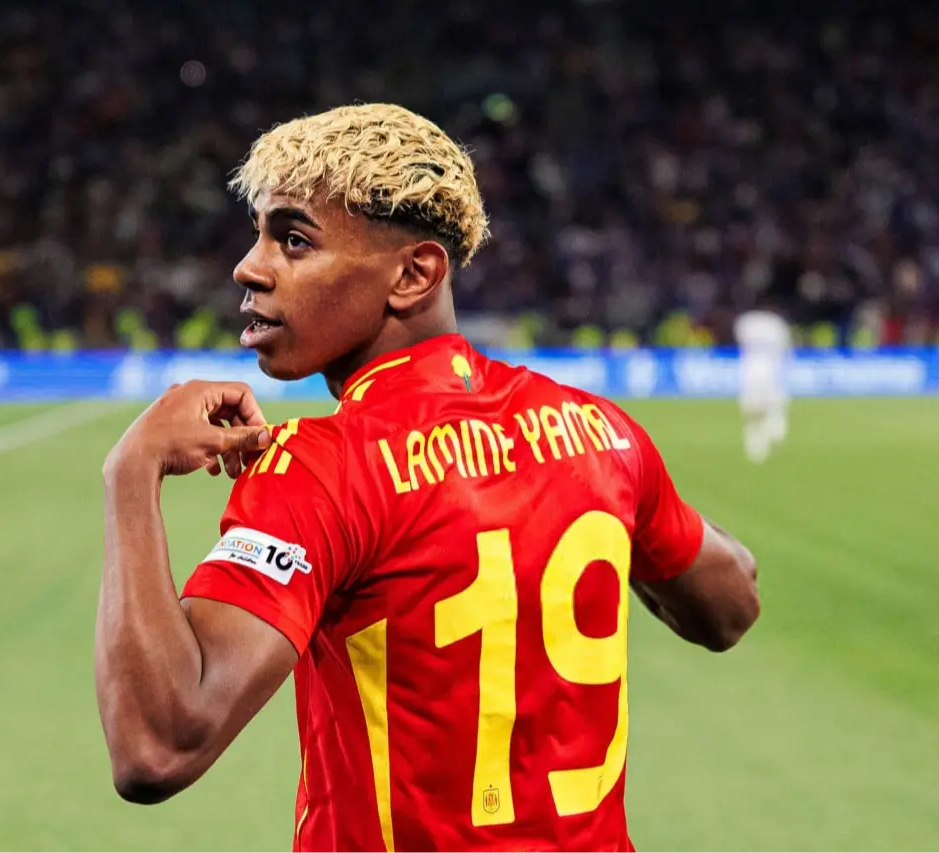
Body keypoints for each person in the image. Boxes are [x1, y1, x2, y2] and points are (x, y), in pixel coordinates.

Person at [95, 104, 760, 852]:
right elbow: (731, 605)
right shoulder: (601, 431)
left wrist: (131, 472)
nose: (249, 267)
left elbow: (157, 748)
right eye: (258, 234)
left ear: (413, 274)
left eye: (294, 240)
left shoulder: (324, 464)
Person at [733, 299, 793, 463]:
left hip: (752, 370)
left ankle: (761, 435)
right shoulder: (776, 324)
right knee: (766, 403)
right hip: (767, 369)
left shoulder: (746, 322)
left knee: (758, 406)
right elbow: (786, 347)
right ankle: (766, 433)